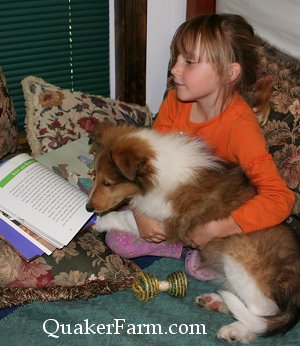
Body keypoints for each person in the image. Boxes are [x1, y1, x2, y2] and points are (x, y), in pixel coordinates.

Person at [105, 14, 295, 280]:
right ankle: (185, 249)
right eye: (177, 58)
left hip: (206, 212)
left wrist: (220, 228)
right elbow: (149, 164)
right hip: (169, 202)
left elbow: (280, 198)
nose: (174, 69)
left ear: (229, 72)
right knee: (116, 234)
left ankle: (189, 248)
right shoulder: (175, 101)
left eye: (189, 62)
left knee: (119, 237)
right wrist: (139, 213)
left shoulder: (241, 128)